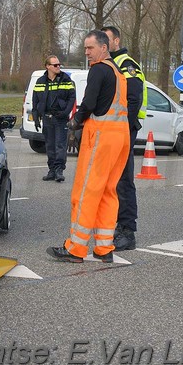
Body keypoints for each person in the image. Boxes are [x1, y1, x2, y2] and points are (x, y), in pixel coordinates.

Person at [47, 30, 129, 263]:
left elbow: (90, 103)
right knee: (107, 192)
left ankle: (76, 248)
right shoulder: (118, 72)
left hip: (101, 137)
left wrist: (76, 121)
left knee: (85, 191)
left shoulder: (99, 70)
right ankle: (104, 248)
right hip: (120, 137)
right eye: (85, 48)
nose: (86, 52)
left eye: (90, 48)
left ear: (104, 48)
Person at [101, 26, 145, 251]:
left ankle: (128, 231)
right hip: (111, 131)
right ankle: (117, 225)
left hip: (123, 131)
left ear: (116, 41)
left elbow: (134, 99)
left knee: (124, 180)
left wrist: (123, 130)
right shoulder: (108, 64)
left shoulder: (126, 64)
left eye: (107, 40)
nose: (104, 44)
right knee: (113, 181)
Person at [32, 55, 76, 182]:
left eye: (59, 64)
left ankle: (59, 170)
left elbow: (71, 98)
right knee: (50, 145)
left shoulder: (65, 79)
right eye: (55, 65)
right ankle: (51, 170)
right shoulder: (40, 81)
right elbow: (35, 100)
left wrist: (65, 112)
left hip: (60, 118)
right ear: (48, 66)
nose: (58, 67)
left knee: (60, 145)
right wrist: (36, 117)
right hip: (46, 118)